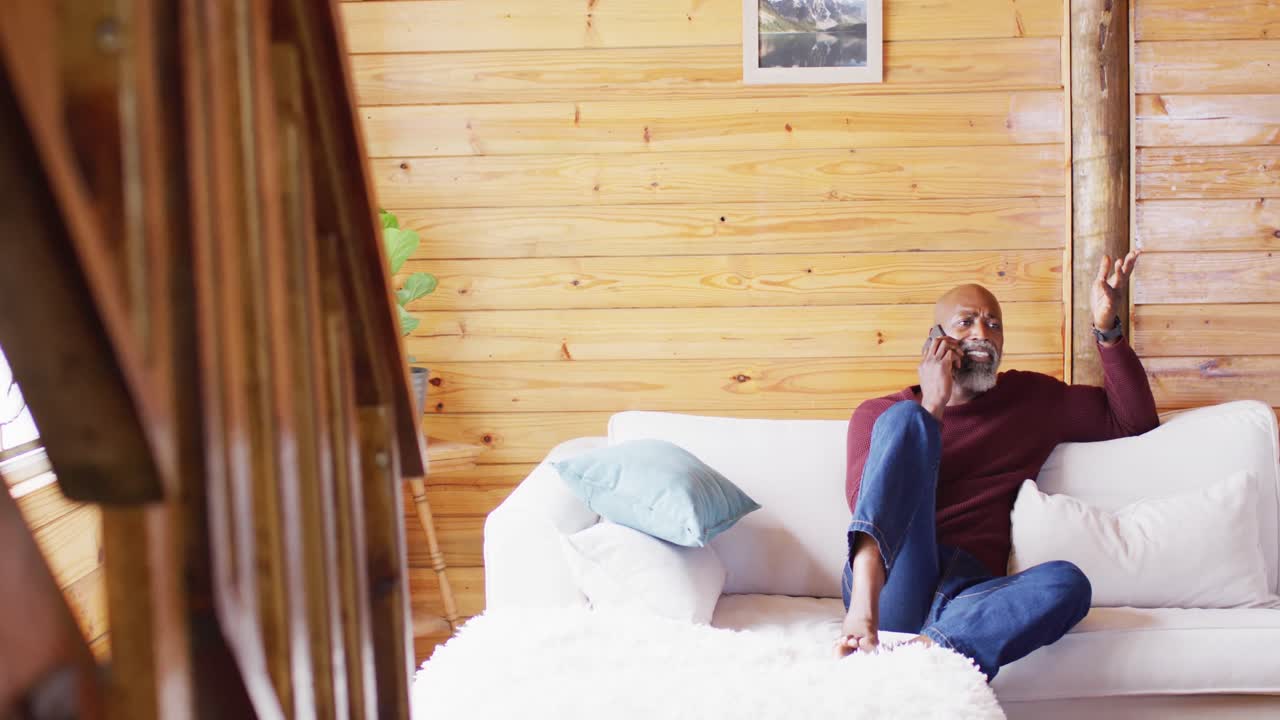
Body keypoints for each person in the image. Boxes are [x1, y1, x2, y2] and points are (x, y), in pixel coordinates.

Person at [834, 250, 1159, 682]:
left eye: (993, 324)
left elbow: (1132, 420)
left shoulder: (1030, 399)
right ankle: (868, 624)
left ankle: (924, 653)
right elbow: (873, 508)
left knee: (1068, 583)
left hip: (971, 593)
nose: (981, 333)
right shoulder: (880, 414)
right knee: (907, 421)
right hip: (891, 585)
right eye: (966, 322)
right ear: (935, 339)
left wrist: (1107, 329)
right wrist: (932, 405)